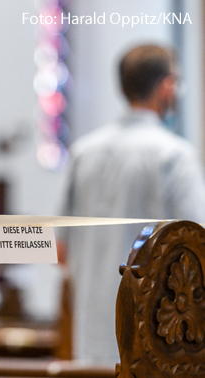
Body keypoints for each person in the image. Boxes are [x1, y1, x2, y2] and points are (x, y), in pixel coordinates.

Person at [60, 44, 205, 364]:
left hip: (89, 343)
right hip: (154, 347)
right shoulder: (175, 155)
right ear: (167, 85)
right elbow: (199, 248)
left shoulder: (84, 153)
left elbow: (61, 251)